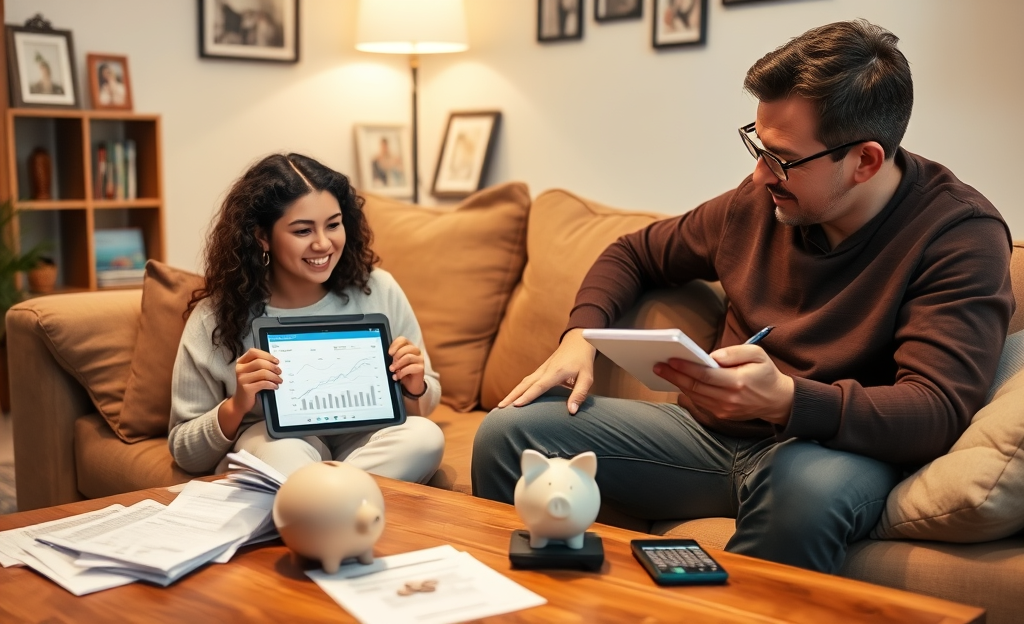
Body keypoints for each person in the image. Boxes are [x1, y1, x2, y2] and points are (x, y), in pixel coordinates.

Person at [471, 20, 1014, 574]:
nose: (758, 176)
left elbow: (936, 407)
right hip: (704, 442)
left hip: (826, 454)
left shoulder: (959, 235)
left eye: (780, 158)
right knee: (509, 433)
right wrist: (578, 336)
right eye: (757, 145)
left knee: (804, 492)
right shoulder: (759, 204)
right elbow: (632, 252)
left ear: (864, 161)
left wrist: (786, 400)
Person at [169, 153, 445, 481]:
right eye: (303, 230)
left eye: (333, 224)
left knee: (426, 437)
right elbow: (184, 450)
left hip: (366, 442)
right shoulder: (214, 317)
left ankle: (317, 496)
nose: (324, 243)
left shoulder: (377, 288)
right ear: (262, 236)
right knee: (283, 454)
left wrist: (415, 386)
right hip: (274, 445)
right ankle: (339, 496)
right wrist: (238, 404)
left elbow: (421, 405)